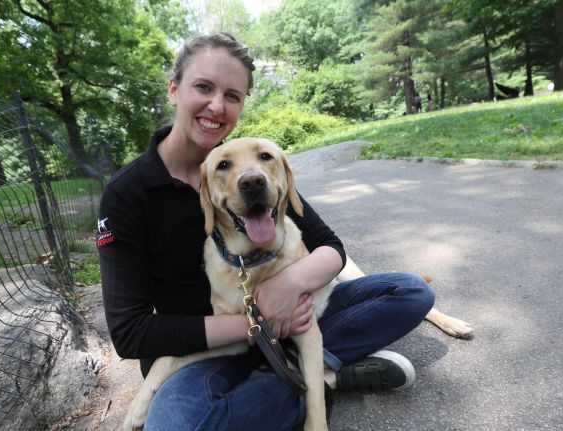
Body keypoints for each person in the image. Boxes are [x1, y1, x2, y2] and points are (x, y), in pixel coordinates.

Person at [97, 32, 435, 431]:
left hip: (294, 316)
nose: (217, 106)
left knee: (411, 291)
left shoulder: (251, 163)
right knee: (175, 424)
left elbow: (329, 247)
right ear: (174, 89)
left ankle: (306, 371)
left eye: (233, 95)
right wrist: (257, 324)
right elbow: (131, 333)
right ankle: (322, 380)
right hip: (206, 348)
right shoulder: (127, 195)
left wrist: (288, 285)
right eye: (203, 87)